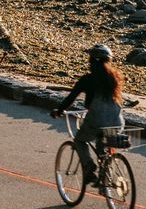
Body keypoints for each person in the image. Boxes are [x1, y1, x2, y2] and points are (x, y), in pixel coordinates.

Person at [51, 44, 124, 185]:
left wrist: (58, 111)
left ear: (90, 61)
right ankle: (105, 178)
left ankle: (89, 167)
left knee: (79, 140)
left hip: (97, 120)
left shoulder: (87, 80)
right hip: (116, 120)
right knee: (103, 142)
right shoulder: (114, 79)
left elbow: (70, 98)